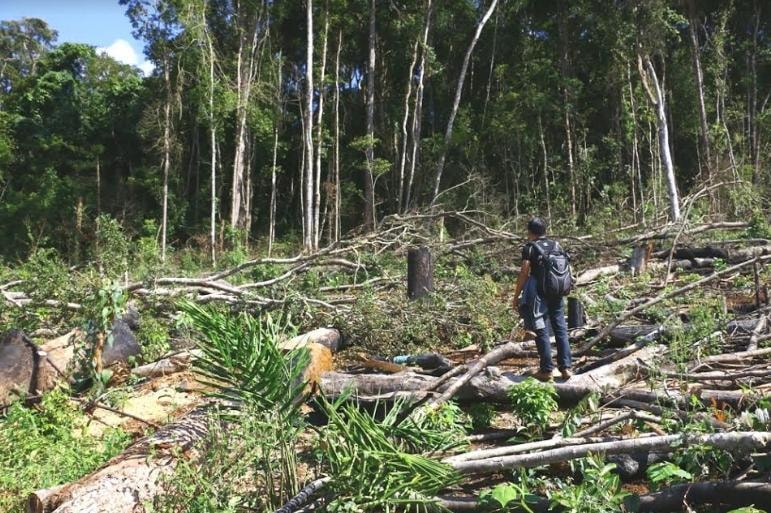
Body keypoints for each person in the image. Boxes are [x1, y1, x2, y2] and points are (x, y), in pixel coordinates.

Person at [513, 217, 572, 381]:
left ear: (530, 232)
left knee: (541, 329)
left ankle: (547, 370)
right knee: (560, 328)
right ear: (544, 230)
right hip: (556, 290)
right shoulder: (556, 245)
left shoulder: (529, 248)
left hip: (539, 293)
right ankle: (566, 368)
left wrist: (517, 295)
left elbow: (524, 272)